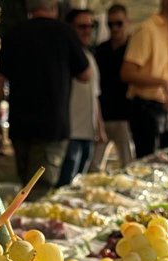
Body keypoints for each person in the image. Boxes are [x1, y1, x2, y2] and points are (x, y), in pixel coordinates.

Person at [0, 0, 90, 192]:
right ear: (53, 7)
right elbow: (85, 74)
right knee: (39, 190)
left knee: (26, 186)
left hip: (20, 126)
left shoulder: (14, 34)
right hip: (52, 126)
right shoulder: (64, 32)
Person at [120, 0, 168, 158]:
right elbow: (127, 73)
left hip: (167, 110)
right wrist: (162, 83)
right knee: (148, 164)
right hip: (145, 108)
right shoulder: (147, 29)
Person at [58, 9, 105, 187]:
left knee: (79, 186)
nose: (88, 31)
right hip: (70, 134)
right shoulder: (63, 56)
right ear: (70, 28)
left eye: (91, 26)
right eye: (82, 26)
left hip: (88, 134)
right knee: (65, 186)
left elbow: (95, 96)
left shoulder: (90, 57)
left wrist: (99, 128)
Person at [90, 4, 134, 172]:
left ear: (127, 22)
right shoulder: (100, 50)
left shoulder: (133, 49)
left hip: (125, 117)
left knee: (128, 164)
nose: (114, 28)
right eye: (110, 24)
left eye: (119, 23)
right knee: (94, 166)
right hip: (103, 116)